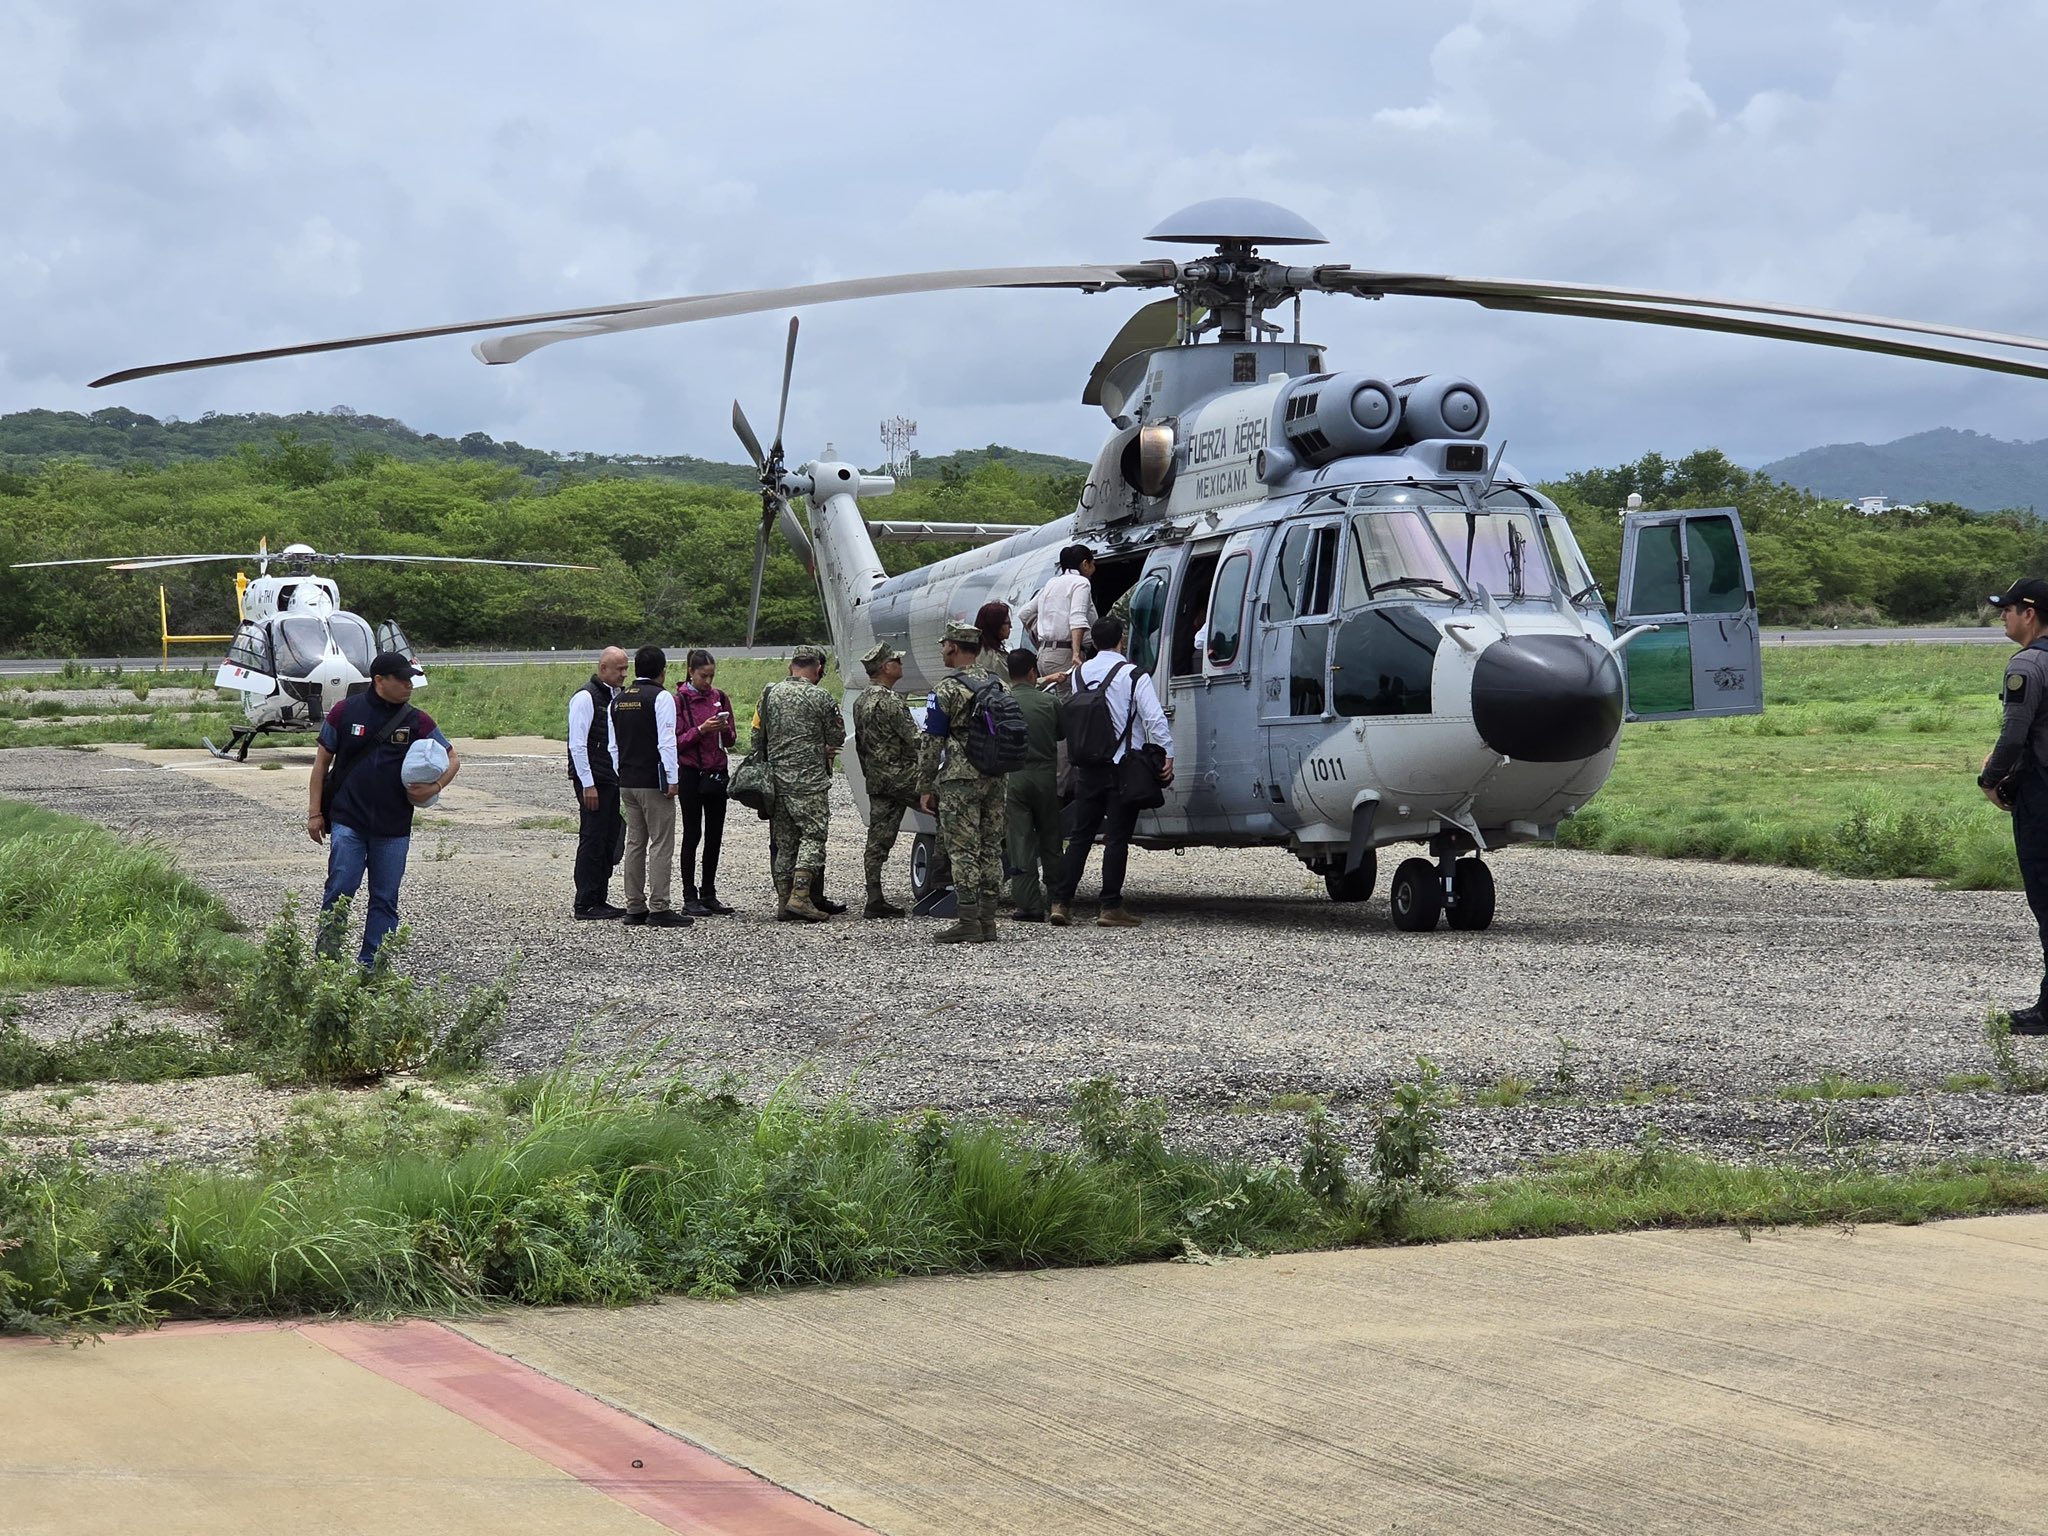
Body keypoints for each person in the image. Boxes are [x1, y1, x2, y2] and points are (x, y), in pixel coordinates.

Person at [306, 651, 460, 965]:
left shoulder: (418, 720)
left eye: (411, 679)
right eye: (402, 679)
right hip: (349, 821)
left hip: (394, 828)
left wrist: (435, 787)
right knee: (339, 892)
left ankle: (372, 969)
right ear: (379, 681)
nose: (409, 685)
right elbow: (321, 765)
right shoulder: (344, 712)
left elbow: (453, 758)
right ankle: (326, 964)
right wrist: (314, 813)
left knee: (385, 900)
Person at [1048, 615, 1173, 929]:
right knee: (1116, 838)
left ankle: (1061, 902)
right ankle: (1110, 906)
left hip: (1087, 767)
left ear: (1093, 643)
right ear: (1122, 640)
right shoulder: (1132, 674)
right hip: (1123, 767)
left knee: (1080, 837)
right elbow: (1154, 718)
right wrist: (1166, 753)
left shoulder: (1078, 674)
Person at [1979, 577, 2048, 1033]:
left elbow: (2014, 732)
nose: (2001, 615)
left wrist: (1989, 778)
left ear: (2029, 612)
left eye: (2006, 609)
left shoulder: (2027, 663)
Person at [916, 621, 1006, 944]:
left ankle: (968, 921)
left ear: (954, 647)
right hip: (996, 778)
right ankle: (988, 920)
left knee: (963, 848)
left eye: (944, 645)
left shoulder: (945, 689)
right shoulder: (998, 685)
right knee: (991, 848)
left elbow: (931, 743)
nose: (942, 650)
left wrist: (925, 785)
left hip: (959, 781)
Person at [756, 643, 844, 922]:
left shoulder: (769, 694)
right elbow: (837, 737)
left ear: (790, 665)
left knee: (785, 843)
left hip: (777, 782)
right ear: (818, 668)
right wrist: (820, 747)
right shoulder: (821, 696)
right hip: (810, 783)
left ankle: (784, 902)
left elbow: (757, 737)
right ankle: (801, 896)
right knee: (813, 835)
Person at [614, 645, 687, 928]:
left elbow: (612, 744)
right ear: (662, 671)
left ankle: (634, 906)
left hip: (627, 780)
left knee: (635, 843)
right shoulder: (661, 697)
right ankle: (659, 906)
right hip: (653, 781)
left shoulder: (619, 699)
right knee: (660, 843)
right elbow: (667, 740)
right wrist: (672, 778)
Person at [852, 640, 918, 918]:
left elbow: (860, 745)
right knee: (949, 812)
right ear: (886, 667)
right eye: (897, 661)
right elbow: (915, 739)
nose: (901, 665)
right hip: (904, 778)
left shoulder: (860, 701)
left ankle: (874, 895)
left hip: (878, 779)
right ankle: (943, 882)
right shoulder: (892, 702)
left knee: (878, 840)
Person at [674, 649, 737, 917]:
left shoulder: (719, 698)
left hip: (716, 772)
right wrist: (701, 730)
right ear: (690, 671)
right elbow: (675, 741)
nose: (708, 682)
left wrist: (725, 730)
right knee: (692, 833)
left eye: (711, 676)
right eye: (703, 676)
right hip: (690, 773)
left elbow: (733, 739)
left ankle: (709, 892)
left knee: (715, 835)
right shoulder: (679, 701)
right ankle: (689, 895)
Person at [568, 645, 629, 920]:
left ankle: (599, 897)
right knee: (592, 839)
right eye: (620, 669)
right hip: (594, 779)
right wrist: (587, 784)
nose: (624, 674)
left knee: (608, 838)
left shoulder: (616, 696)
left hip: (611, 778)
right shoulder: (585, 698)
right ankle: (585, 901)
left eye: (626, 669)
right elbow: (577, 745)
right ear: (603, 669)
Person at [1003, 648, 1062, 922]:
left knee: (1021, 840)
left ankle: (1029, 904)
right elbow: (1061, 733)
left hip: (1014, 777)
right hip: (1046, 777)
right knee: (1051, 837)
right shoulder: (1049, 702)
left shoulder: (1001, 703)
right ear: (1032, 672)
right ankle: (1058, 900)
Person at [1018, 544, 1097, 683]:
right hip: (1065, 656)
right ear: (1085, 564)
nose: (1094, 569)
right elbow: (1077, 618)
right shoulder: (1081, 583)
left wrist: (1042, 640)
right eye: (1093, 564)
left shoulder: (1051, 583)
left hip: (1044, 656)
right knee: (1070, 701)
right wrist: (1076, 653)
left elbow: (1024, 614)